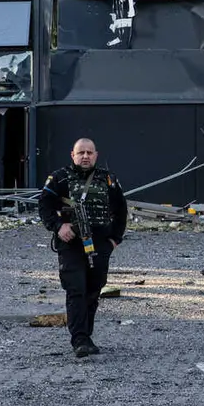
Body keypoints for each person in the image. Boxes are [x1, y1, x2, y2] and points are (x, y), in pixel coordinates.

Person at [38, 138, 127, 357]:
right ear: (73, 155)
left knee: (93, 290)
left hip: (100, 244)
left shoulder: (108, 179)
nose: (85, 156)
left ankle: (85, 335)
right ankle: (79, 339)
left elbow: (121, 211)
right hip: (71, 244)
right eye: (81, 153)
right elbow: (44, 206)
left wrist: (114, 240)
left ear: (96, 155)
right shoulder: (59, 178)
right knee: (75, 289)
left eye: (89, 152)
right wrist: (59, 226)